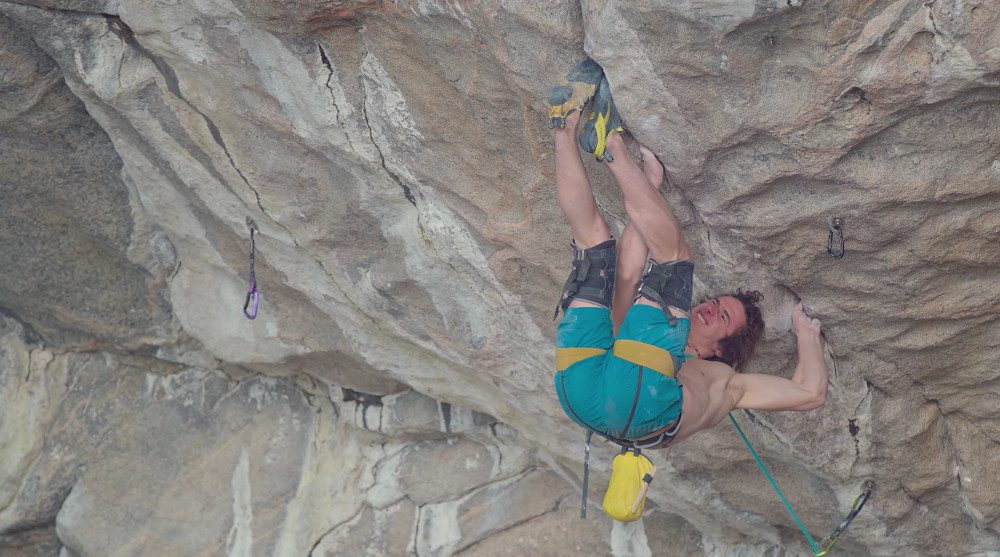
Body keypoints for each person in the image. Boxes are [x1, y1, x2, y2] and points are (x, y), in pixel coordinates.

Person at [550, 61, 828, 450]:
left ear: (720, 350)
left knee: (677, 261)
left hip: (637, 405)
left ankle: (611, 145)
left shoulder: (727, 383)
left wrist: (806, 332)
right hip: (580, 395)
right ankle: (564, 127)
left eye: (722, 317)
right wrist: (649, 186)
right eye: (715, 303)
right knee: (594, 245)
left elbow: (810, 393)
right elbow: (628, 273)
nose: (709, 309)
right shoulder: (646, 339)